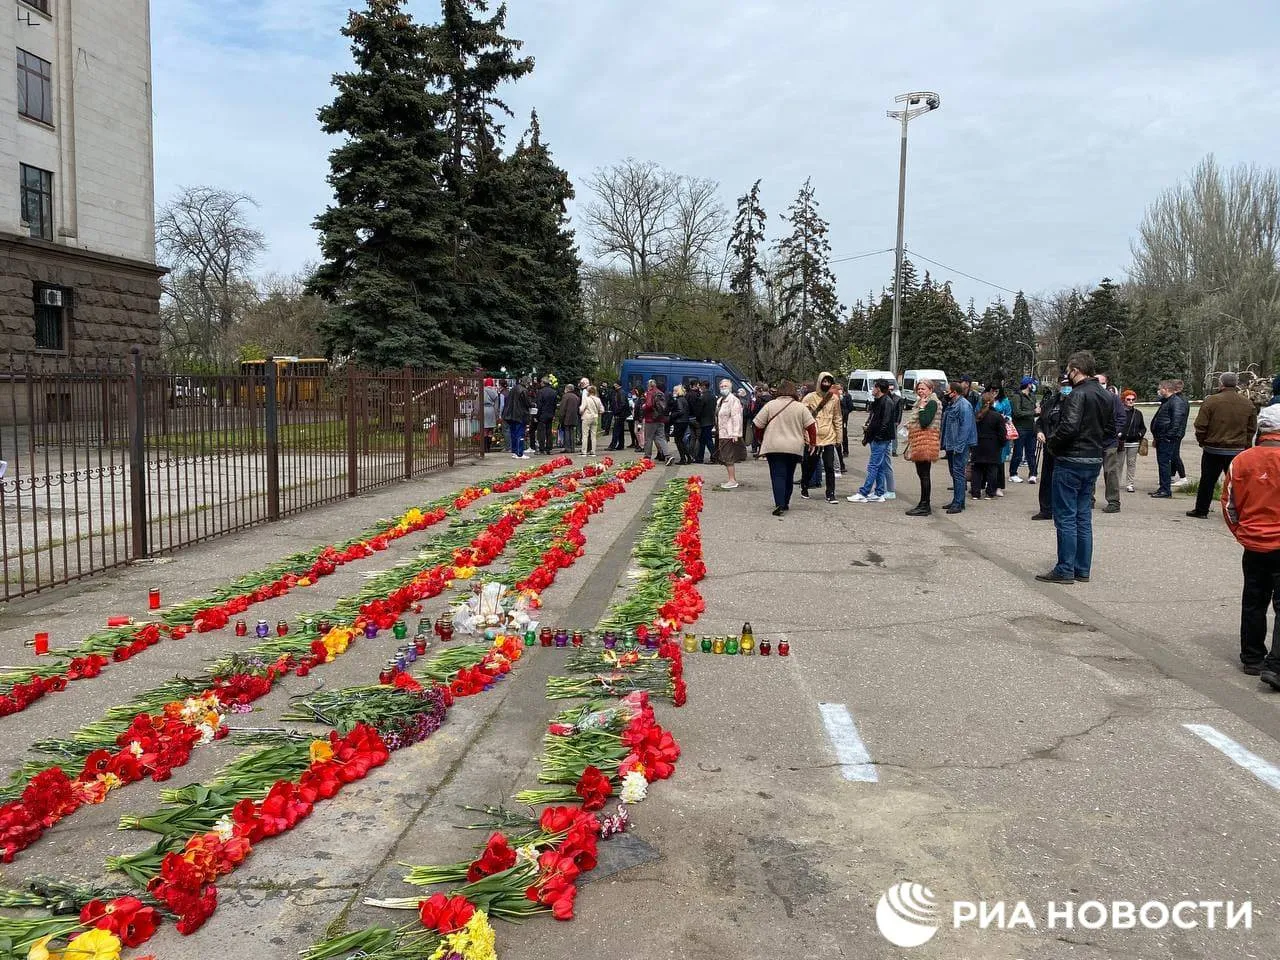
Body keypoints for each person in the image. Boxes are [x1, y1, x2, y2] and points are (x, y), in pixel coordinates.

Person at [1037, 350, 1114, 585]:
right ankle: (1082, 568)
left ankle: (1065, 568)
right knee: (1083, 516)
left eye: (1069, 371)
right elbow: (1110, 430)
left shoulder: (1078, 395)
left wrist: (1052, 445)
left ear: (1076, 370)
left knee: (1066, 517)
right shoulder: (1106, 395)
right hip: (1092, 459)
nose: (1067, 375)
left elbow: (1069, 426)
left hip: (1071, 460)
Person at [1222, 404, 1280, 684]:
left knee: (1254, 601)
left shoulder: (1242, 461)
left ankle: (1253, 658)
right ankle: (1276, 665)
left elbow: (1229, 503)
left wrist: (1241, 532)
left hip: (1253, 542)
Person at [1187, 372, 1257, 519]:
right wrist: (1246, 445)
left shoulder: (1211, 401)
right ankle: (1240, 511)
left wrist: (1203, 441)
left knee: (1207, 480)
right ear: (1236, 384)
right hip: (1237, 450)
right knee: (1237, 482)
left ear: (1221, 384)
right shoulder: (1247, 403)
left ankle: (1201, 510)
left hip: (1213, 448)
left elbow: (1201, 425)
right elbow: (1251, 428)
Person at [753, 379, 817, 517]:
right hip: (794, 446)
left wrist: (760, 439)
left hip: (774, 446)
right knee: (789, 475)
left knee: (777, 475)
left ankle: (779, 504)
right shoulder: (800, 407)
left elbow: (757, 424)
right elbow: (811, 426)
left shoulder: (771, 405)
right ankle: (786, 502)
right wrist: (813, 443)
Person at [849, 379, 896, 503]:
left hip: (881, 439)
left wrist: (878, 436)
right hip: (877, 437)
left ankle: (864, 492)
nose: (872, 390)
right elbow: (875, 419)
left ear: (878, 388)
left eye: (874, 387)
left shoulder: (887, 402)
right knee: (879, 466)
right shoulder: (878, 401)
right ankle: (879, 492)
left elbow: (885, 422)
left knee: (873, 465)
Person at [1032, 375, 1071, 520]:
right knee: (1047, 479)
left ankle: (1062, 510)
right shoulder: (1051, 402)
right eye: (1063, 385)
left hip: (1065, 448)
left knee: (1063, 481)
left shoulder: (1075, 403)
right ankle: (1046, 509)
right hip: (1049, 447)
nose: (1065, 388)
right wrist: (1040, 432)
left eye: (1068, 385)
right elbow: (1040, 421)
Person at [801, 372, 843, 504]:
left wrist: (839, 437)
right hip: (813, 437)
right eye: (824, 382)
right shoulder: (809, 398)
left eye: (829, 382)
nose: (826, 384)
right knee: (811, 465)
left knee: (829, 466)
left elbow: (837, 418)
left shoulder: (834, 399)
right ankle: (805, 486)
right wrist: (805, 436)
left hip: (829, 436)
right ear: (819, 382)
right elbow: (802, 417)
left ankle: (830, 493)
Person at [904, 379, 941, 516]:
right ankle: (923, 503)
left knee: (924, 475)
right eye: (918, 389)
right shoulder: (922, 401)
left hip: (926, 442)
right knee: (922, 474)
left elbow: (925, 422)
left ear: (930, 390)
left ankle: (925, 506)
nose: (920, 391)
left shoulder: (931, 402)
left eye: (923, 389)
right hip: (920, 441)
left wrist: (921, 408)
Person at [940, 380, 977, 514]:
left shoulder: (964, 405)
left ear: (954, 392)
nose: (945, 393)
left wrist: (959, 447)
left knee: (958, 474)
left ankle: (958, 503)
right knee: (955, 474)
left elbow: (966, 428)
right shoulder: (952, 404)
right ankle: (957, 500)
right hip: (951, 445)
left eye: (947, 391)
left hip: (959, 446)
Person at [1149, 380, 1188, 497]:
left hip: (1167, 438)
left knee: (1165, 463)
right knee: (1162, 463)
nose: (1159, 391)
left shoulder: (1176, 402)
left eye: (1160, 388)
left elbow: (1177, 422)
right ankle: (1163, 487)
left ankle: (1165, 490)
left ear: (1165, 389)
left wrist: (1168, 436)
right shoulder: (1167, 401)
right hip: (1161, 437)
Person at [1096, 372, 1127, 513]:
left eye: (1102, 382)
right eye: (1097, 382)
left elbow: (1121, 418)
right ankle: (1087, 499)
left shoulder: (1114, 399)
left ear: (1107, 383)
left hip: (1109, 442)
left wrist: (1115, 432)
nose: (1100, 385)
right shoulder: (1089, 397)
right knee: (1089, 472)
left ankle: (1114, 502)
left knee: (1111, 472)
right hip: (1092, 442)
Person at [971, 387, 1006, 500]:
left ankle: (975, 492)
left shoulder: (977, 415)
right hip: (993, 446)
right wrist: (1002, 444)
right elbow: (1002, 433)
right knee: (992, 470)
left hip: (978, 445)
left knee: (977, 469)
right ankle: (990, 492)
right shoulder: (997, 416)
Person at [715, 379, 746, 490]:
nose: (723, 388)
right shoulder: (720, 400)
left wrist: (736, 433)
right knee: (724, 456)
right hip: (722, 432)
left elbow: (736, 417)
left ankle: (732, 480)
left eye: (725, 386)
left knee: (728, 457)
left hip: (729, 433)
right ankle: (731, 479)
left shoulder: (734, 400)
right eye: (721, 386)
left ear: (730, 387)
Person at [1009, 377, 1039, 483]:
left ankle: (1033, 474)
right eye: (1032, 384)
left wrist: (1038, 411)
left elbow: (1035, 410)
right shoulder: (1017, 397)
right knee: (1018, 452)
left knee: (1031, 452)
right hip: (1020, 428)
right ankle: (1013, 473)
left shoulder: (1032, 397)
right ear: (1028, 385)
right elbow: (1017, 413)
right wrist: (1032, 412)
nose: (1034, 386)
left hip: (1031, 428)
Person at [641, 379, 676, 465]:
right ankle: (667, 455)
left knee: (648, 438)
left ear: (649, 385)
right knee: (661, 438)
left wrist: (644, 406)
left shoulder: (650, 393)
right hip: (660, 419)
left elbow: (649, 405)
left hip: (651, 419)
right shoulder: (660, 392)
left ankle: (647, 457)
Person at [1118, 389, 1146, 493]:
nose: (1131, 401)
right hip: (1121, 442)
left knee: (1131, 464)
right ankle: (1116, 483)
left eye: (1133, 399)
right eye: (1128, 399)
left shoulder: (1138, 413)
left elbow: (1143, 427)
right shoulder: (1119, 412)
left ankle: (1130, 484)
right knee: (1118, 464)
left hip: (1134, 443)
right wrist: (1119, 434)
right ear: (1123, 400)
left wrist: (1139, 434)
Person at [502, 377, 532, 460]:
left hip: (511, 415)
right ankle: (520, 453)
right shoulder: (523, 390)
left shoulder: (514, 389)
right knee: (520, 434)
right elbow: (527, 403)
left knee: (513, 433)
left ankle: (515, 451)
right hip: (520, 415)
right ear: (527, 383)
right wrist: (532, 404)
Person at [670, 385, 694, 464]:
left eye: (674, 391)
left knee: (678, 441)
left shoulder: (679, 400)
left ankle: (683, 458)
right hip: (684, 421)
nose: (673, 392)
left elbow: (680, 411)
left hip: (679, 422)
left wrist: (672, 415)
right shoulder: (684, 399)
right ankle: (688, 457)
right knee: (681, 441)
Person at [579, 385, 604, 456]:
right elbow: (602, 410)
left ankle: (584, 451)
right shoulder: (598, 399)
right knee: (593, 435)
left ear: (588, 392)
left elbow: (582, 408)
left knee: (585, 435)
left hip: (587, 417)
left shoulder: (586, 399)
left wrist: (581, 412)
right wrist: (597, 412)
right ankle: (593, 451)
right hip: (595, 417)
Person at [536, 378, 557, 455]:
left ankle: (542, 448)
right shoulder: (553, 392)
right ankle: (549, 448)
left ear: (543, 383)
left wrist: (537, 415)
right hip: (550, 414)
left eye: (541, 382)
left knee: (541, 432)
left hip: (542, 414)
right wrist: (553, 414)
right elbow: (555, 405)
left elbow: (539, 405)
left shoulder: (540, 392)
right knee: (549, 432)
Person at [696, 379, 716, 463]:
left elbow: (699, 410)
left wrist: (697, 418)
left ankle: (714, 456)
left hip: (704, 421)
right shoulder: (713, 396)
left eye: (700, 386)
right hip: (710, 420)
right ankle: (700, 458)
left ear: (703, 386)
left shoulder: (702, 397)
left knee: (708, 440)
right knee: (702, 440)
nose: (700, 388)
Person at [557, 383, 580, 452]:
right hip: (574, 417)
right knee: (572, 432)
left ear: (567, 389)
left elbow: (563, 408)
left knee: (566, 432)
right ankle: (572, 448)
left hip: (567, 417)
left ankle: (567, 448)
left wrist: (561, 417)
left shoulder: (565, 396)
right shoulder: (576, 397)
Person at [608, 383, 628, 451]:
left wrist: (617, 411)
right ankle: (621, 445)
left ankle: (613, 445)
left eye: (615, 385)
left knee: (616, 430)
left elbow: (622, 403)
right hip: (621, 414)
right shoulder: (620, 392)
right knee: (620, 430)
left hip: (620, 414)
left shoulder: (620, 393)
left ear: (619, 385)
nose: (614, 386)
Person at [482, 378, 500, 452]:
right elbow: (496, 405)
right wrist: (496, 415)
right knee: (490, 430)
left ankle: (484, 448)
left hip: (483, 409)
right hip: (491, 410)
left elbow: (478, 402)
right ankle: (488, 448)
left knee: (484, 429)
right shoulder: (494, 392)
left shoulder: (482, 391)